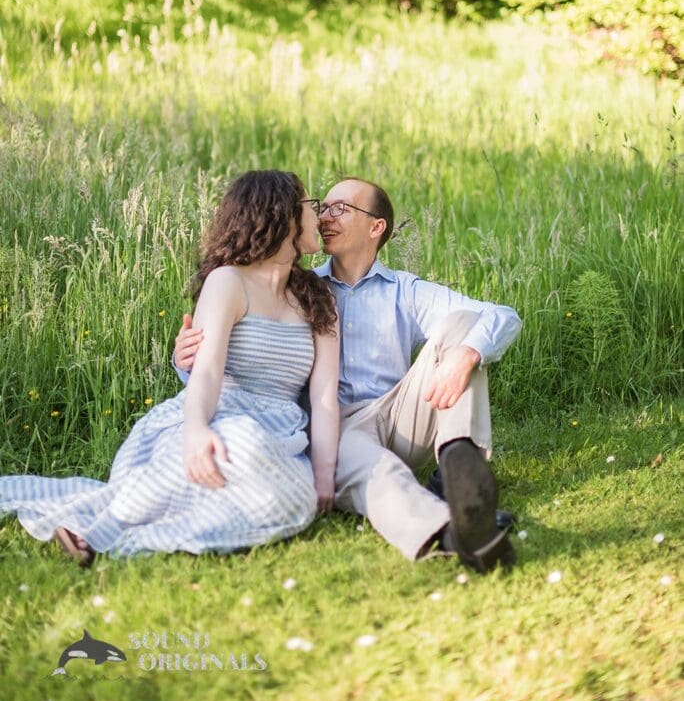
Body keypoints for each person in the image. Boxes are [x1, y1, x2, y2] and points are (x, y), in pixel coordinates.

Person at [175, 176, 522, 574]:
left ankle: (458, 469)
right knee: (377, 472)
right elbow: (249, 354)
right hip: (338, 428)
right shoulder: (301, 289)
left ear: (376, 227)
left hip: (402, 414)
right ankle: (455, 526)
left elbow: (502, 316)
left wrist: (466, 354)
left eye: (342, 208)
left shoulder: (404, 290)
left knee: (464, 325)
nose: (325, 217)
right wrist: (186, 359)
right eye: (323, 207)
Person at [0, 171, 339, 564]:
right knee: (241, 440)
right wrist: (196, 431)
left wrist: (324, 475)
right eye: (310, 207)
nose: (320, 216)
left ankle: (130, 539)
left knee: (294, 499)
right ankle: (101, 528)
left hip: (280, 442)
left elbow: (324, 394)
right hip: (211, 419)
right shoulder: (229, 282)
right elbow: (208, 372)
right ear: (282, 216)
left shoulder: (318, 297)